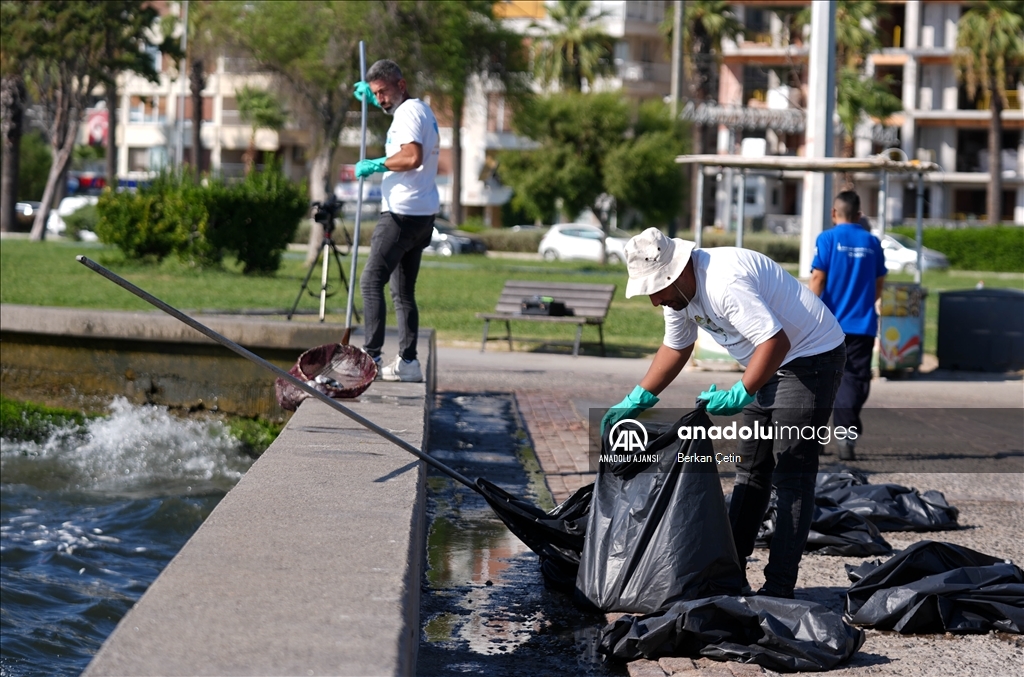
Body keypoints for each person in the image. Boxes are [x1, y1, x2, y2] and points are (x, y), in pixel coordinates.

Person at [602, 228, 846, 599]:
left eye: (656, 289)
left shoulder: (723, 281)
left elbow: (775, 341)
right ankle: (729, 574)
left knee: (791, 472)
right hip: (765, 362)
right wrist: (638, 397)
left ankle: (779, 587)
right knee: (751, 468)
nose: (655, 301)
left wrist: (742, 390)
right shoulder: (678, 296)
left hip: (810, 358)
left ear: (677, 271)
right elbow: (677, 346)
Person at [352, 60, 440, 382]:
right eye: (375, 95)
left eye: (384, 92)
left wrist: (377, 164)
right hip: (422, 213)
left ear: (401, 85)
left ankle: (370, 358)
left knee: (371, 280)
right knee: (402, 292)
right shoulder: (419, 111)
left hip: (402, 214)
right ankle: (408, 362)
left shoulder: (407, 113)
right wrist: (370, 98)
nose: (380, 100)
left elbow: (412, 156)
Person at [810, 191, 887, 461]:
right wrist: (865, 302)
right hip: (862, 325)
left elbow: (818, 278)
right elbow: (879, 284)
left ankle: (814, 440)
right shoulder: (872, 242)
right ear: (859, 215)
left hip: (828, 325)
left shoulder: (827, 238)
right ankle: (846, 436)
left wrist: (809, 311)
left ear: (834, 213)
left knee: (820, 381)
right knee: (854, 382)